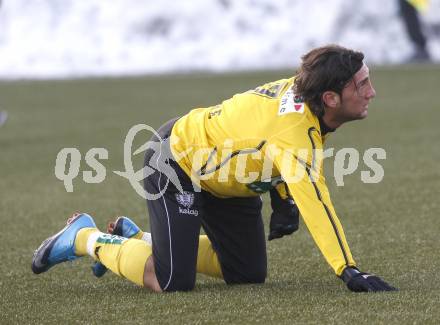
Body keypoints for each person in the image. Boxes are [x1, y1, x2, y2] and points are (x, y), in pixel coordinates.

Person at [32, 44, 397, 293]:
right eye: (362, 84)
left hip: (227, 182)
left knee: (247, 275)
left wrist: (283, 197)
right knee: (171, 280)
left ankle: (143, 240)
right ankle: (84, 238)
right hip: (176, 161)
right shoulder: (295, 132)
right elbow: (317, 202)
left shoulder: (309, 97)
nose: (372, 92)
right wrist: (348, 269)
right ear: (330, 98)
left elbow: (266, 145)